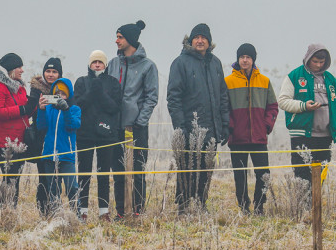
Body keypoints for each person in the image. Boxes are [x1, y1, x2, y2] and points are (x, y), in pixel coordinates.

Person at [166, 24, 229, 213]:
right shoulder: (180, 63)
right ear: (190, 41)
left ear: (209, 42)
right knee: (186, 167)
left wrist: (224, 124)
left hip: (211, 127)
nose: (200, 41)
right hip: (189, 127)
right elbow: (173, 97)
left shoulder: (215, 63)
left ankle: (201, 203)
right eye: (196, 37)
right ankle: (184, 206)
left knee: (206, 168)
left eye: (204, 38)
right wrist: (180, 127)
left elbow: (223, 96)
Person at [106, 20, 158, 218]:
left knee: (138, 171)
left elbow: (151, 97)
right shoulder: (112, 64)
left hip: (137, 128)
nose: (116, 41)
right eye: (117, 36)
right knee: (117, 171)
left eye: (120, 37)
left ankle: (137, 211)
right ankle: (121, 211)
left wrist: (140, 121)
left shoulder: (148, 66)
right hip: (115, 128)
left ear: (131, 40)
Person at [278, 44, 336, 188]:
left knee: (321, 176)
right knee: (302, 177)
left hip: (325, 136)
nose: (318, 65)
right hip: (302, 135)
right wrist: (304, 106)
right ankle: (303, 208)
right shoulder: (295, 76)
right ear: (308, 59)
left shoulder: (331, 80)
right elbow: (282, 101)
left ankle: (315, 207)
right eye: (315, 61)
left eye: (321, 62)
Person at [225, 43, 279, 215]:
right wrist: (230, 127)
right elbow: (224, 108)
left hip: (258, 138)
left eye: (248, 57)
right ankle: (243, 206)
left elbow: (273, 106)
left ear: (253, 59)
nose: (245, 60)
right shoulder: (228, 82)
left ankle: (259, 206)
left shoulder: (264, 81)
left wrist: (266, 126)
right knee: (240, 175)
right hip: (237, 138)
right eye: (242, 57)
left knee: (263, 174)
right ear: (238, 59)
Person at [73, 50, 122, 221]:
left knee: (103, 174)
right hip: (84, 135)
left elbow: (115, 107)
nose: (97, 65)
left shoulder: (113, 83)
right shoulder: (81, 82)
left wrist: (100, 93)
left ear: (105, 65)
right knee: (84, 173)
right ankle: (83, 211)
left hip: (106, 135)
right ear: (89, 64)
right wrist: (91, 92)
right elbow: (77, 105)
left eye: (100, 62)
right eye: (94, 62)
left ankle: (104, 211)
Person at [0, 53, 29, 208]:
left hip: (19, 139)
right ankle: (2, 210)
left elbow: (25, 111)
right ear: (11, 69)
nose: (22, 70)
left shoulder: (20, 88)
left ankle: (10, 210)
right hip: (4, 140)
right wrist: (22, 109)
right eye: (19, 67)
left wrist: (35, 105)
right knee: (9, 177)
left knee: (15, 178)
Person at [36, 74, 82, 210]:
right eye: (57, 93)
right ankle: (56, 216)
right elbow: (41, 126)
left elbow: (73, 125)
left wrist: (66, 110)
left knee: (72, 188)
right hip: (49, 155)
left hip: (67, 156)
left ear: (69, 94)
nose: (60, 96)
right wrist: (41, 110)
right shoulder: (49, 109)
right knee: (53, 190)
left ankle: (76, 215)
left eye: (63, 93)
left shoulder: (74, 109)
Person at [28, 59, 62, 215]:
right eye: (48, 71)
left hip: (59, 137)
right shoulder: (36, 91)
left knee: (58, 178)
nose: (51, 74)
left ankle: (56, 208)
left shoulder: (63, 90)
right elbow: (32, 112)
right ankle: (43, 211)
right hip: (41, 139)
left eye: (54, 72)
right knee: (44, 177)